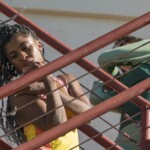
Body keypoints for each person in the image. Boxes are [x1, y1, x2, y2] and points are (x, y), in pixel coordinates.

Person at [0, 20, 91, 150]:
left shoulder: (67, 80)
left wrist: (48, 87)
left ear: (39, 45)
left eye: (26, 48)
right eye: (14, 56)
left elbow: (89, 115)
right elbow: (58, 127)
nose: (23, 56)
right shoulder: (20, 93)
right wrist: (48, 83)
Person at [90, 35, 150, 149]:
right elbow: (97, 97)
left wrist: (116, 77)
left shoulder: (138, 74)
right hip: (132, 135)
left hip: (131, 136)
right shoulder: (134, 79)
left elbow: (105, 58)